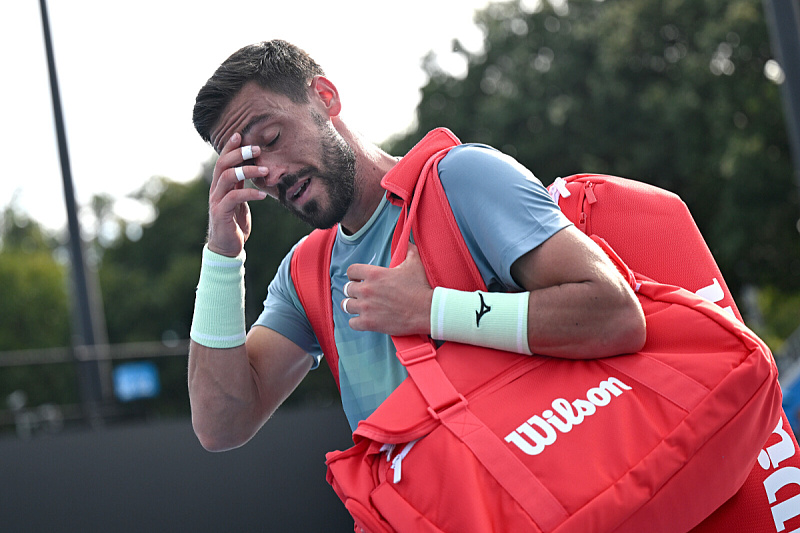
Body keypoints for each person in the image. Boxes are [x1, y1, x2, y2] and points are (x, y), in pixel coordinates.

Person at [187, 39, 646, 451]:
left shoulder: (462, 178)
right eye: (249, 164)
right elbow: (222, 426)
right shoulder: (303, 274)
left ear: (324, 98)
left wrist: (432, 311)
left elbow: (615, 314)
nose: (271, 172)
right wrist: (222, 255)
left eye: (271, 138)